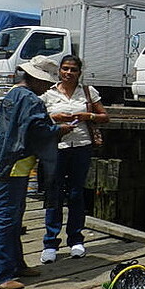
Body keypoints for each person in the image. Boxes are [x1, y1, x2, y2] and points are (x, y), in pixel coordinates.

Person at [0, 56, 72, 289]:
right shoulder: (31, 99)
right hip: (12, 166)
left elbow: (23, 124)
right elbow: (38, 132)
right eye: (47, 82)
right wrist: (59, 130)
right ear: (35, 78)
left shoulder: (15, 92)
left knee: (13, 218)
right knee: (5, 220)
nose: (49, 86)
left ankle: (15, 264)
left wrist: (50, 119)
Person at [40, 54, 109, 263]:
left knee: (76, 193)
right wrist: (55, 118)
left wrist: (90, 117)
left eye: (73, 70)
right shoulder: (48, 93)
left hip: (81, 147)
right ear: (59, 70)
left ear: (80, 72)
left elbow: (105, 117)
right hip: (56, 148)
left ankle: (76, 239)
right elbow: (37, 118)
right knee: (54, 194)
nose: (69, 73)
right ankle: (50, 242)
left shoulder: (88, 92)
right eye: (65, 69)